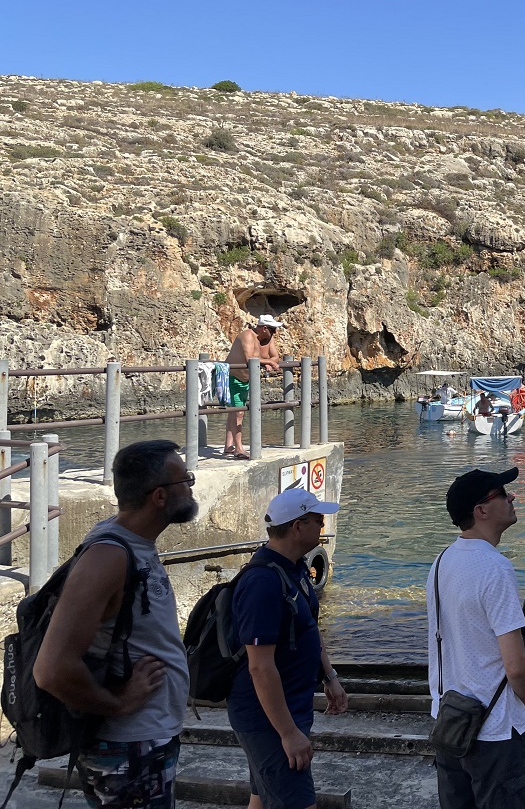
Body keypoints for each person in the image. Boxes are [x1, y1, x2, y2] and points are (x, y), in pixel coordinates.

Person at [33, 440, 196, 809]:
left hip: (146, 741)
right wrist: (116, 704)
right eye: (186, 479)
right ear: (159, 496)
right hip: (128, 748)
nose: (190, 485)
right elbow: (51, 669)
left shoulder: (135, 542)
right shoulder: (108, 557)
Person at [426, 468, 525, 809]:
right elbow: (516, 665)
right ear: (481, 510)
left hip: (450, 722)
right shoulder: (495, 567)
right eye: (502, 494)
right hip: (497, 732)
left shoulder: (441, 561)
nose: (512, 497)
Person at [228, 487, 346, 809]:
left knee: (262, 799)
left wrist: (329, 676)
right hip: (267, 716)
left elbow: (308, 627)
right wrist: (288, 733)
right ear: (298, 526)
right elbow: (259, 666)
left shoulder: (293, 569)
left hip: (286, 708)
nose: (323, 528)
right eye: (319, 521)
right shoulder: (263, 583)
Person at [224, 315, 283, 459]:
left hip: (246, 380)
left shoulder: (267, 339)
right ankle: (238, 449)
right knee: (238, 412)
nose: (274, 333)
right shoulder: (248, 336)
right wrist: (268, 362)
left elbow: (275, 357)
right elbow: (249, 358)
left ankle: (228, 445)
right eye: (273, 330)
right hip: (233, 376)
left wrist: (268, 362)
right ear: (264, 328)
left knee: (235, 410)